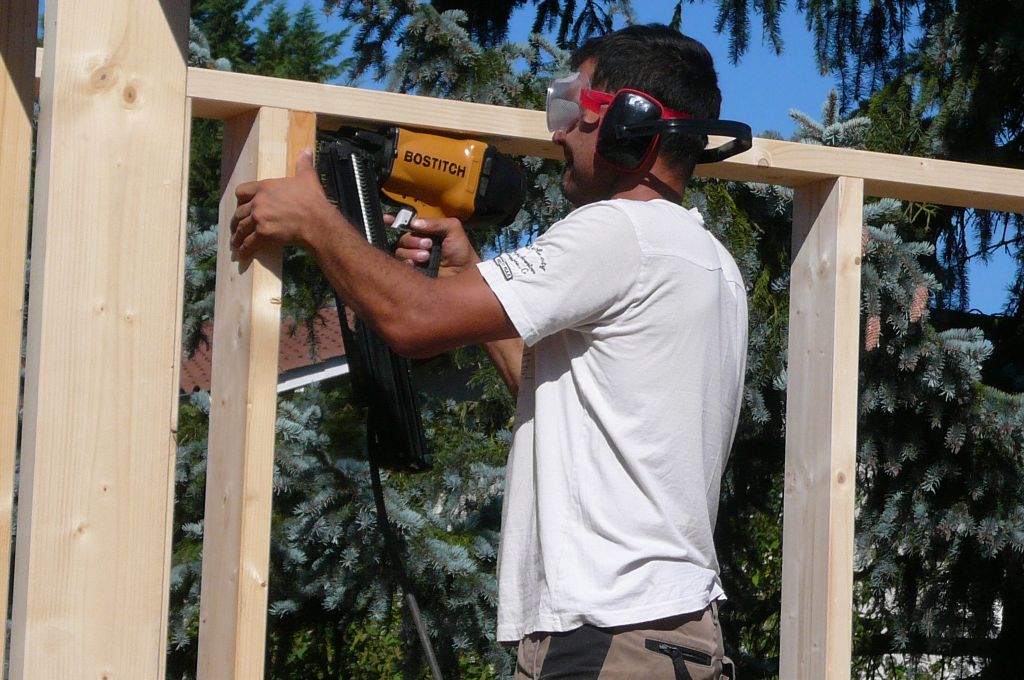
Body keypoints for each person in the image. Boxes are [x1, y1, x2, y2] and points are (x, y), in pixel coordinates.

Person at [230, 23, 746, 680]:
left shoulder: (616, 233)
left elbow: (412, 322)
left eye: (572, 110)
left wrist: (315, 220)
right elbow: (566, 400)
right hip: (659, 633)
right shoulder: (702, 257)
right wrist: (467, 268)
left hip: (608, 633)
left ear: (627, 124)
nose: (558, 133)